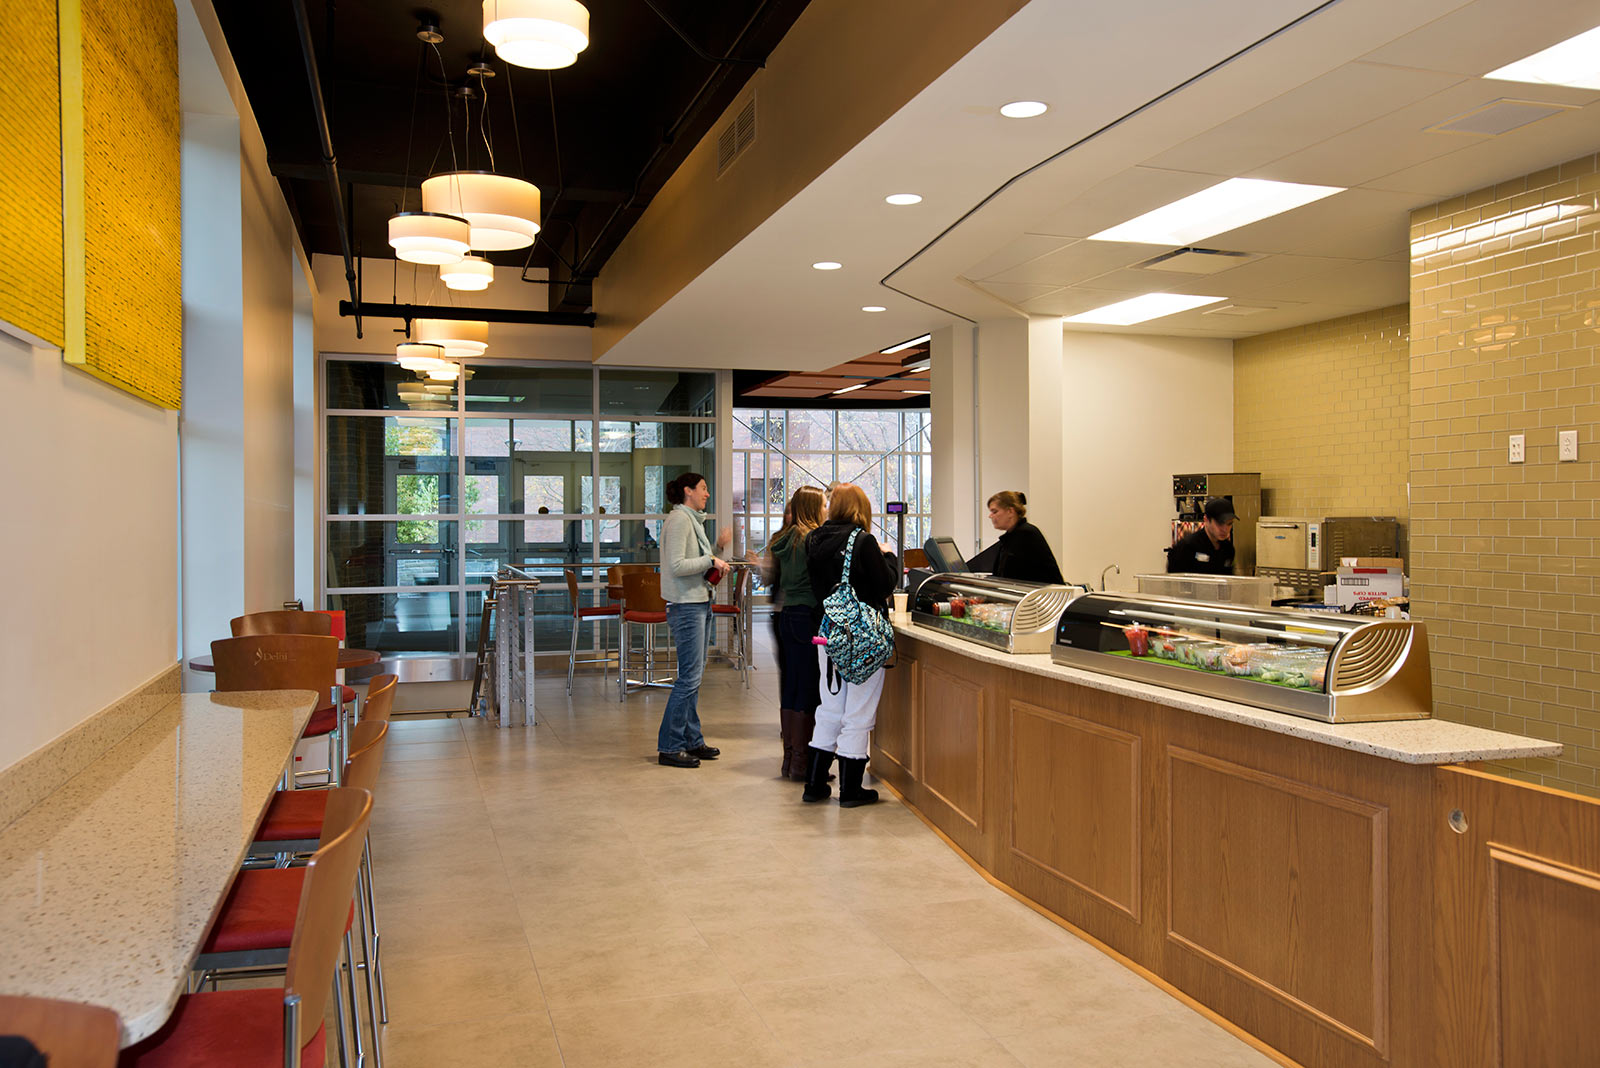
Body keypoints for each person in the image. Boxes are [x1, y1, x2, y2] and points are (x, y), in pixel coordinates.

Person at [803, 484, 898, 806]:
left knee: (830, 707)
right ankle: (851, 790)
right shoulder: (863, 540)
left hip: (828, 632)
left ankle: (814, 784)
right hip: (861, 637)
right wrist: (889, 557)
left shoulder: (813, 539)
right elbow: (885, 585)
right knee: (859, 710)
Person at [752, 485, 826, 780]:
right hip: (809, 616)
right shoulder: (812, 540)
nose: (826, 510)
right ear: (811, 508)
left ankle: (791, 757)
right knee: (810, 686)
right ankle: (803, 762)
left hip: (787, 617)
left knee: (792, 685)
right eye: (822, 505)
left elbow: (771, 576)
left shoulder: (783, 539)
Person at [656, 471, 730, 768]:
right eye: (703, 488)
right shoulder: (679, 521)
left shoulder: (691, 521)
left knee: (694, 678)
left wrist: (716, 551)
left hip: (699, 602)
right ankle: (670, 746)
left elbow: (694, 562)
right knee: (688, 678)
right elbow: (676, 566)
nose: (707, 494)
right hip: (686, 607)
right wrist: (711, 560)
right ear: (688, 491)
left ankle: (691, 739)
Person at [980, 491, 1064, 584]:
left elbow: (1011, 575)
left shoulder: (1026, 534)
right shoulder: (1012, 536)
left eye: (994, 511)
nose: (990, 516)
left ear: (1010, 511)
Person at [1167, 497, 1236, 574]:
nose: (1225, 529)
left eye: (1229, 524)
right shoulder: (1187, 547)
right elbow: (1175, 582)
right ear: (1206, 520)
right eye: (1219, 523)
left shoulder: (1228, 549)